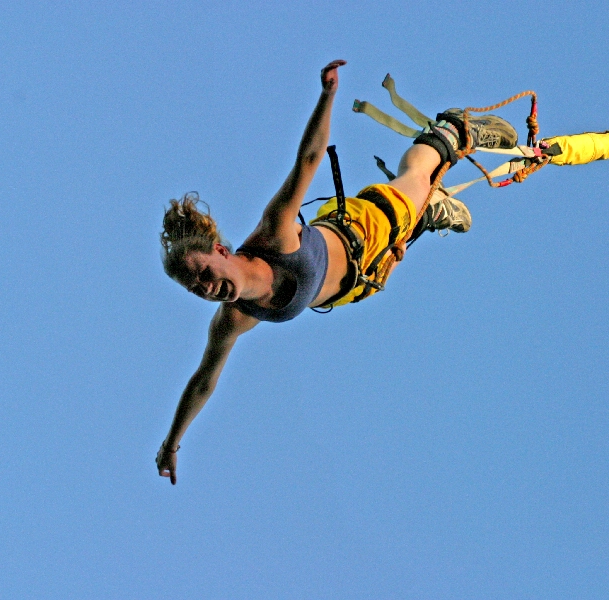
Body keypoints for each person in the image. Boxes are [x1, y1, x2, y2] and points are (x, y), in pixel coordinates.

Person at [156, 60, 518, 484]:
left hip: (364, 228)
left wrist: (327, 97)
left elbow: (308, 160)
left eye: (200, 273)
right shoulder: (233, 320)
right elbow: (203, 380)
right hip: (363, 280)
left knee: (417, 178)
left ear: (219, 250)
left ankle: (452, 130)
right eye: (194, 289)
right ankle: (429, 213)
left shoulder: (272, 236)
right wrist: (171, 442)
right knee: (413, 221)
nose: (204, 288)